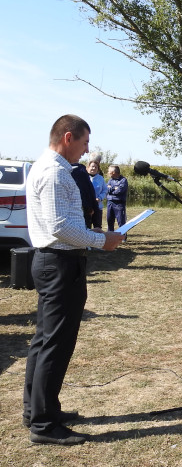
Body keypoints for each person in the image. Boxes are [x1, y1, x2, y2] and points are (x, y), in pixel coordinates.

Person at [23, 115, 125, 446]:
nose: (86, 150)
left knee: (45, 341)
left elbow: (63, 223)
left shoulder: (49, 168)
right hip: (59, 264)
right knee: (55, 343)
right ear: (68, 138)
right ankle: (43, 424)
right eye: (84, 143)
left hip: (55, 261)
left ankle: (39, 410)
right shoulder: (55, 173)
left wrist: (90, 233)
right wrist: (100, 240)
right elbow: (59, 227)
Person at [70, 162, 96, 228]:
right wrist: (92, 206)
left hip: (74, 206)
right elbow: (89, 189)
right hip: (82, 205)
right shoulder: (80, 169)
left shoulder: (59, 169)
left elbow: (89, 188)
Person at [106, 164, 129, 232]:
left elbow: (119, 191)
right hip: (110, 202)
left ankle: (123, 236)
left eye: (109, 171)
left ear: (113, 172)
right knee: (109, 221)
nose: (108, 173)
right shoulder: (110, 180)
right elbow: (106, 189)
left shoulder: (123, 180)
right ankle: (110, 235)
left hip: (119, 204)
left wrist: (111, 189)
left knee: (121, 222)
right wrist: (114, 188)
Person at [86, 160, 106, 230]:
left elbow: (105, 190)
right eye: (92, 166)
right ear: (88, 167)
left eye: (96, 167)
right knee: (86, 226)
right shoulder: (83, 177)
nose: (94, 168)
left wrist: (100, 198)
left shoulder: (100, 178)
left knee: (98, 226)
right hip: (86, 207)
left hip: (98, 206)